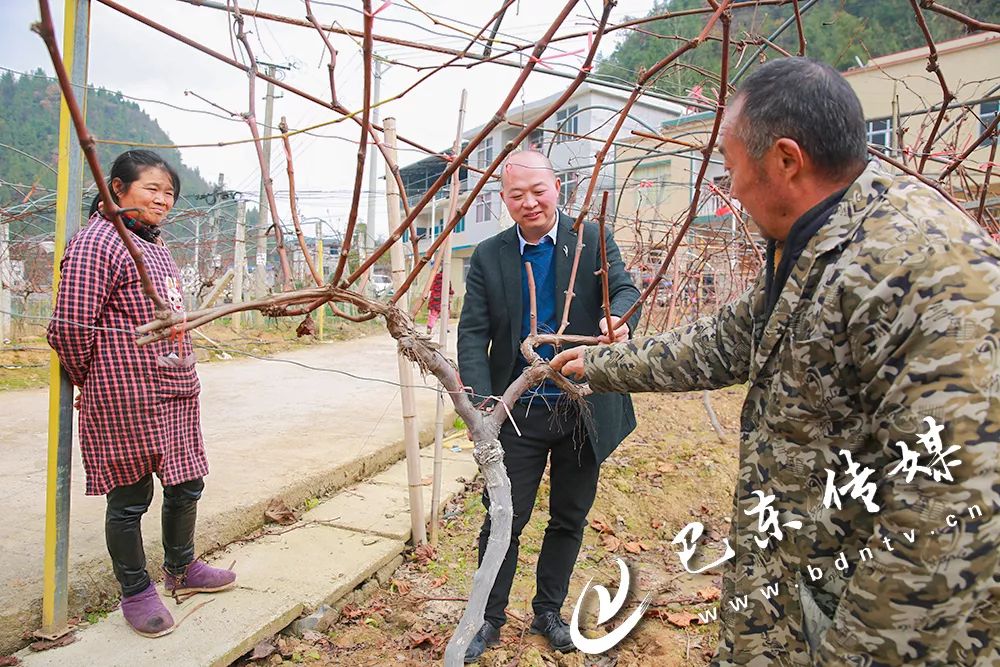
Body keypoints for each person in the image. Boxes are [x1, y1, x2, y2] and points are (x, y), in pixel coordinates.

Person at [552, 58, 1000, 666]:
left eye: (733, 169)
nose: (730, 189)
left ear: (787, 160)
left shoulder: (925, 270)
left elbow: (951, 511)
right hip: (791, 587)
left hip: (860, 618)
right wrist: (601, 365)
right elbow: (723, 341)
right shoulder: (823, 239)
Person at [457, 150, 641, 662]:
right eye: (516, 195)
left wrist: (619, 317)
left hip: (583, 405)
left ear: (556, 188)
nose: (529, 202)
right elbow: (471, 334)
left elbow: (625, 287)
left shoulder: (592, 238)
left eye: (537, 191)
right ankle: (487, 618)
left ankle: (548, 611)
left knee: (569, 514)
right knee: (502, 518)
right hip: (517, 408)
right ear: (504, 200)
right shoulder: (489, 256)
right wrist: (482, 406)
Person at [47, 150, 236, 639]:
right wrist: (98, 378)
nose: (163, 200)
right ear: (117, 188)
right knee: (130, 499)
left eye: (169, 193)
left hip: (173, 391)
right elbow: (68, 329)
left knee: (187, 484)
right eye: (152, 189)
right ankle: (136, 591)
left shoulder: (152, 245)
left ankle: (181, 568)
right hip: (124, 397)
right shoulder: (99, 242)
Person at [426, 268, 453, 335]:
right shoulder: (447, 280)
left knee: (433, 315)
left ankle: (430, 326)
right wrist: (450, 298)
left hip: (434, 299)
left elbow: (431, 287)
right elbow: (450, 291)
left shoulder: (435, 278)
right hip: (444, 299)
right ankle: (445, 328)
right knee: (446, 314)